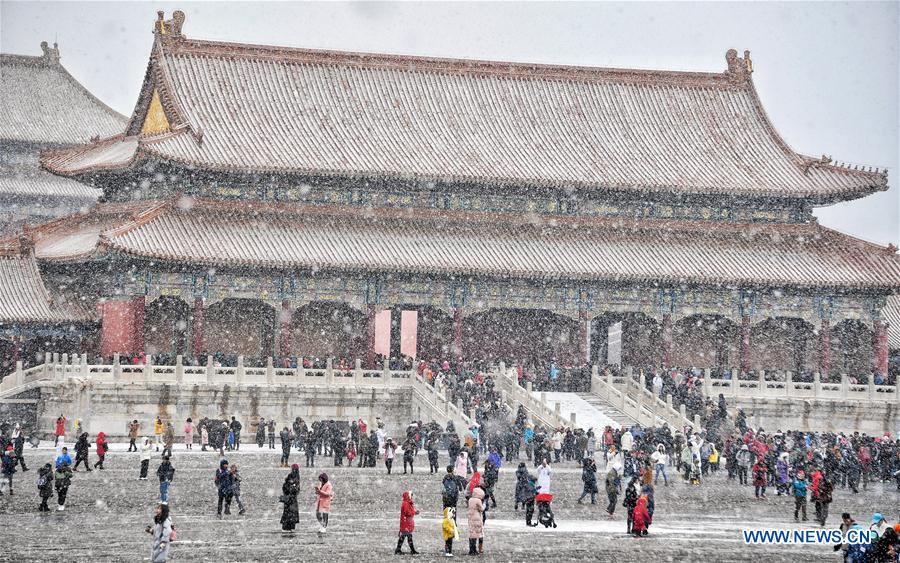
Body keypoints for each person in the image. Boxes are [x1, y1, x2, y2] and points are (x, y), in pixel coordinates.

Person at [395, 491, 419, 555]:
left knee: (407, 536)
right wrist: (414, 512)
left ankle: (400, 549)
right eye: (411, 495)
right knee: (405, 536)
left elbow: (409, 512)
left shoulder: (408, 503)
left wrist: (414, 512)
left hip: (407, 522)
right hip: (406, 523)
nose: (412, 497)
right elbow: (407, 513)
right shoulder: (406, 503)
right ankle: (399, 549)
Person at [280, 464, 301, 533]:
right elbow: (296, 489)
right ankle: (290, 526)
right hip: (292, 498)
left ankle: (287, 527)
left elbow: (286, 487)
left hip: (290, 498)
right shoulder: (296, 476)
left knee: (288, 513)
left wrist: (289, 486)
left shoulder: (293, 476)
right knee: (291, 513)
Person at [467, 487, 485, 555]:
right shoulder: (478, 500)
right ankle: (475, 550)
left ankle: (471, 549)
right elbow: (482, 509)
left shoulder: (470, 499)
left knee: (472, 534)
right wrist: (484, 505)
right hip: (477, 518)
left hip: (470, 518)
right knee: (477, 534)